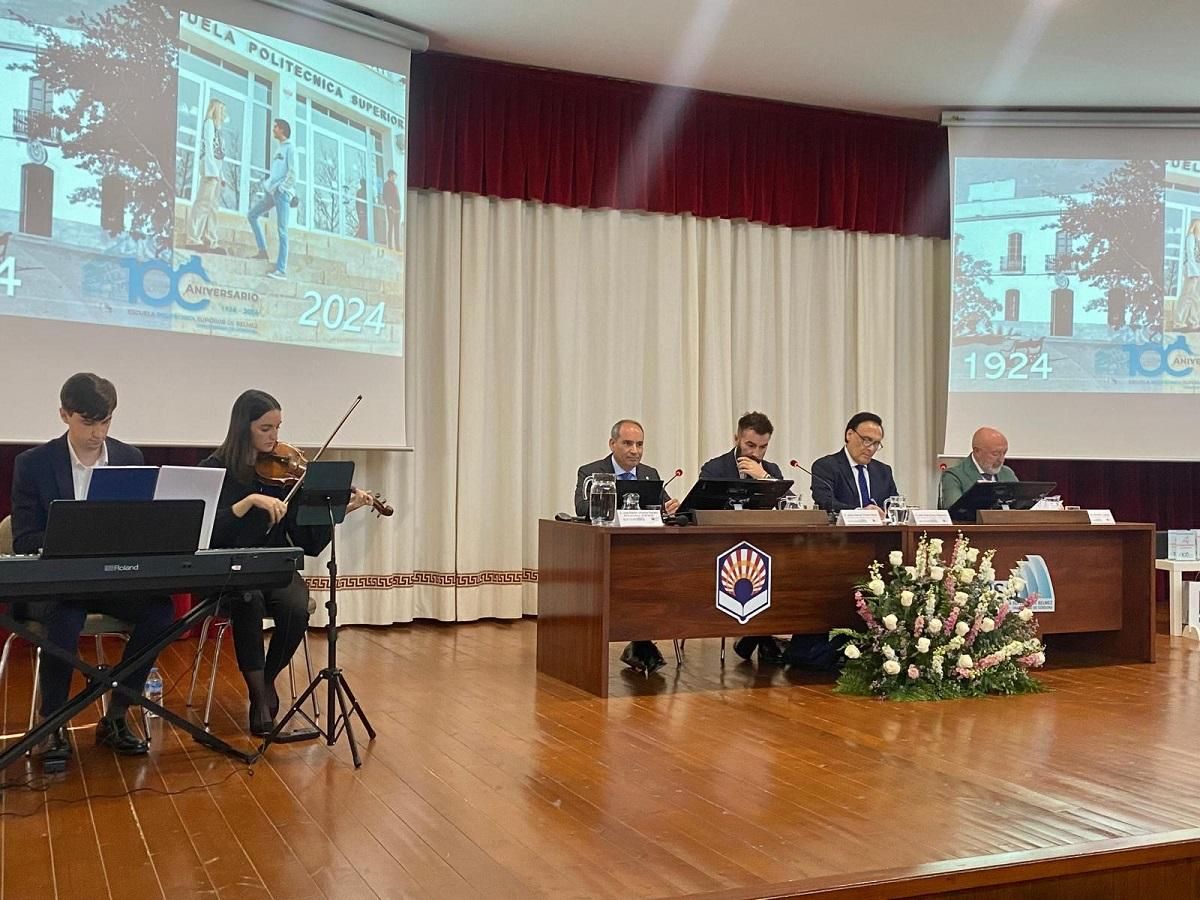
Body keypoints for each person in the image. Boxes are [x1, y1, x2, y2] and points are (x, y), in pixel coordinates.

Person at [10, 374, 175, 772]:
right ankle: (53, 721)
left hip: (109, 578)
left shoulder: (129, 457)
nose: (97, 433)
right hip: (55, 583)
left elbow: (139, 526)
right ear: (64, 414)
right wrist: (68, 540)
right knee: (66, 613)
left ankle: (117, 712)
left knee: (160, 611)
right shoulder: (33, 464)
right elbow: (23, 538)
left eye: (105, 422)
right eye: (88, 422)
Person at [201, 390, 376, 736]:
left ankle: (267, 681)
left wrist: (333, 512)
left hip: (275, 565)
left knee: (297, 606)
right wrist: (248, 502)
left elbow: (307, 542)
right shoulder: (214, 469)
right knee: (247, 601)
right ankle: (257, 697)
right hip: (230, 570)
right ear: (243, 427)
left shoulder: (285, 473)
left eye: (277, 427)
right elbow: (206, 530)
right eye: (265, 428)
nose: (274, 437)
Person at [574, 419, 680, 675]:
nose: (635, 450)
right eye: (628, 443)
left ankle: (641, 642)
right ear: (612, 444)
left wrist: (668, 509)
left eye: (640, 444)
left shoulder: (649, 474)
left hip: (644, 554)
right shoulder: (590, 472)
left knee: (658, 579)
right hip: (605, 553)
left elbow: (662, 509)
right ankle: (639, 645)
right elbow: (581, 508)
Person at [699, 411, 787, 665]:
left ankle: (759, 635)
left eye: (763, 447)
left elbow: (786, 507)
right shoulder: (715, 468)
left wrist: (764, 479)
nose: (756, 453)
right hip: (721, 548)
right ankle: (758, 636)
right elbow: (704, 511)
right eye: (750, 445)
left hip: (762, 548)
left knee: (781, 569)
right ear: (736, 438)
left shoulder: (771, 470)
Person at [810, 411, 899, 516]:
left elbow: (893, 506)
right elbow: (826, 502)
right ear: (849, 434)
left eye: (876, 443)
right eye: (866, 440)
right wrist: (861, 513)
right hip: (842, 531)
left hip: (880, 531)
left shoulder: (883, 471)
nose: (871, 448)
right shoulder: (826, 466)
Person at [248, 118, 295, 281]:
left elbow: (294, 174)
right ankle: (262, 251)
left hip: (281, 194)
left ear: (282, 130)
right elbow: (276, 174)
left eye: (275, 127)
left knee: (282, 231)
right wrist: (268, 186)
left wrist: (281, 189)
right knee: (252, 215)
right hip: (272, 193)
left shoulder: (291, 148)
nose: (273, 129)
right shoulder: (279, 149)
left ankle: (281, 269)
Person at [940, 426, 1017, 509]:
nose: (1001, 459)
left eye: (1004, 453)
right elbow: (954, 511)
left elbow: (1021, 506)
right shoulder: (953, 476)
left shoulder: (1007, 473)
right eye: (995, 454)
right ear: (977, 451)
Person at [186, 98, 227, 253]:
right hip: (210, 170)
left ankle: (211, 240)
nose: (223, 114)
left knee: (213, 207)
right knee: (203, 203)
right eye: (221, 110)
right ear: (215, 109)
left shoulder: (219, 129)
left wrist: (221, 176)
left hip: (216, 170)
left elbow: (220, 157)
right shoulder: (209, 124)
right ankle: (193, 238)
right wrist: (212, 172)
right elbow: (208, 148)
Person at [1176, 219, 1200, 330]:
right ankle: (1179, 321)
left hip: (1198, 270)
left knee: (1196, 297)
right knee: (1186, 295)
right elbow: (1190, 255)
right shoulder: (1190, 238)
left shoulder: (1198, 240)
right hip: (1192, 270)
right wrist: (1193, 271)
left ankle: (1194, 321)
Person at [383, 169, 401, 251]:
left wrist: (399, 209)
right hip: (390, 209)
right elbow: (385, 197)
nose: (395, 178)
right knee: (391, 226)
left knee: (397, 228)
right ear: (390, 176)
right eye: (394, 176)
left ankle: (397, 246)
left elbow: (397, 198)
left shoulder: (395, 186)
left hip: (397, 210)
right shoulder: (386, 185)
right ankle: (390, 245)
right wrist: (390, 207)